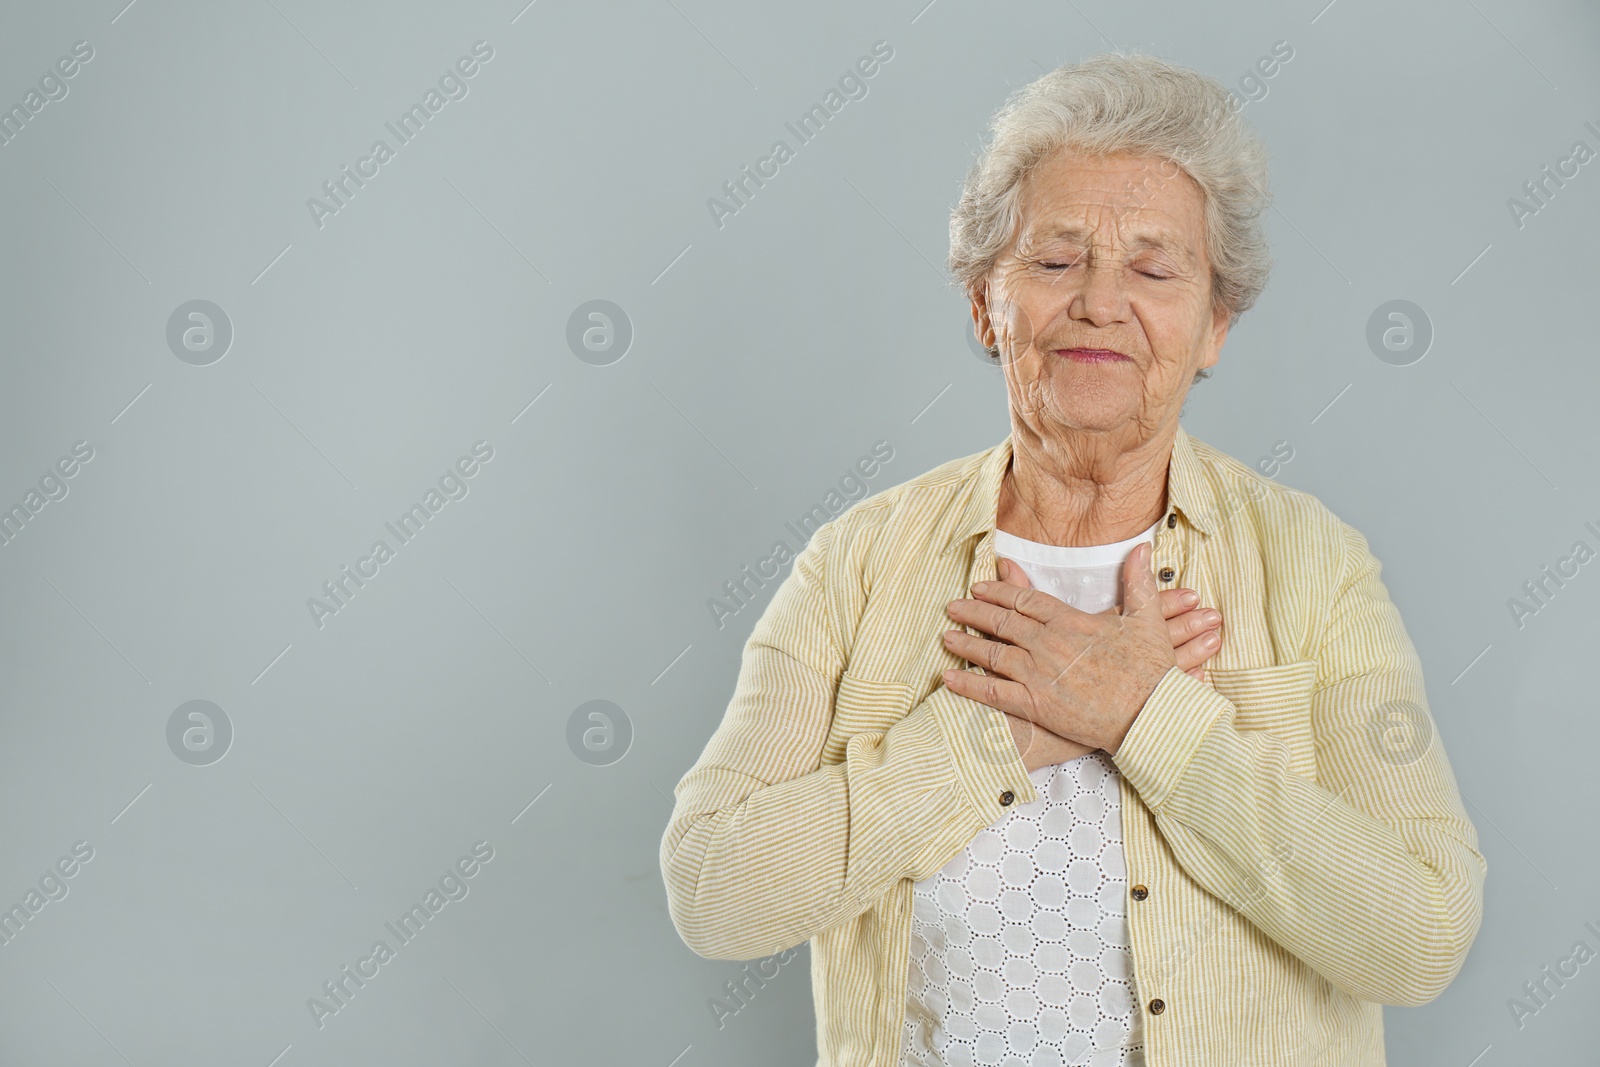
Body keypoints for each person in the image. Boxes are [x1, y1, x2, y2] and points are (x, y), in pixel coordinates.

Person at [661, 51, 1484, 1067]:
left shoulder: (1312, 561)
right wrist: (994, 732)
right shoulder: (857, 563)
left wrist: (1148, 717)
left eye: (1152, 267)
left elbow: (1421, 932)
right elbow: (715, 891)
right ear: (983, 305)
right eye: (1053, 262)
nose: (1100, 301)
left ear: (1212, 325)